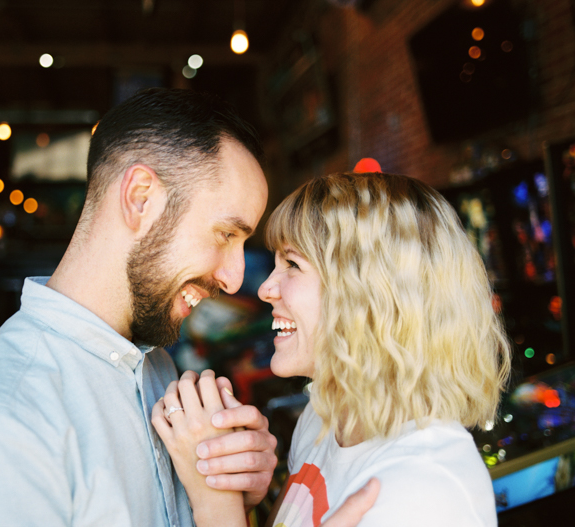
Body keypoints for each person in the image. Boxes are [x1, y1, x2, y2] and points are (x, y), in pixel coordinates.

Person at [0, 88, 280, 526]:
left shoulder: (159, 368)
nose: (235, 278)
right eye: (225, 235)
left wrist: (232, 499)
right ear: (141, 197)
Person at [153, 172, 511, 526]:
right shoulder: (325, 419)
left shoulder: (424, 489)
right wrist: (241, 496)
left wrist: (214, 501)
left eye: (292, 264)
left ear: (367, 294)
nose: (266, 289)